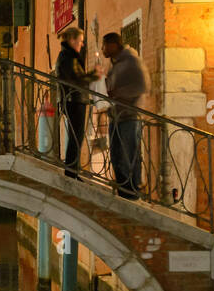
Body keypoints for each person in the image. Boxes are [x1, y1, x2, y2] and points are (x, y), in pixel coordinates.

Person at [101, 32, 148, 199]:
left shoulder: (131, 61)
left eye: (105, 45)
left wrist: (117, 93)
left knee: (129, 153)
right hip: (116, 116)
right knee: (116, 154)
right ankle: (123, 189)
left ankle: (132, 191)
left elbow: (141, 86)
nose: (103, 49)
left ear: (114, 45)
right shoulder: (115, 65)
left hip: (129, 115)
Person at [54, 27, 98, 177]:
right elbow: (78, 80)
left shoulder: (67, 56)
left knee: (76, 136)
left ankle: (73, 170)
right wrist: (94, 75)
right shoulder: (68, 57)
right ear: (72, 41)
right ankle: (72, 172)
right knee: (76, 136)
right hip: (74, 100)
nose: (82, 44)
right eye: (80, 41)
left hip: (73, 100)